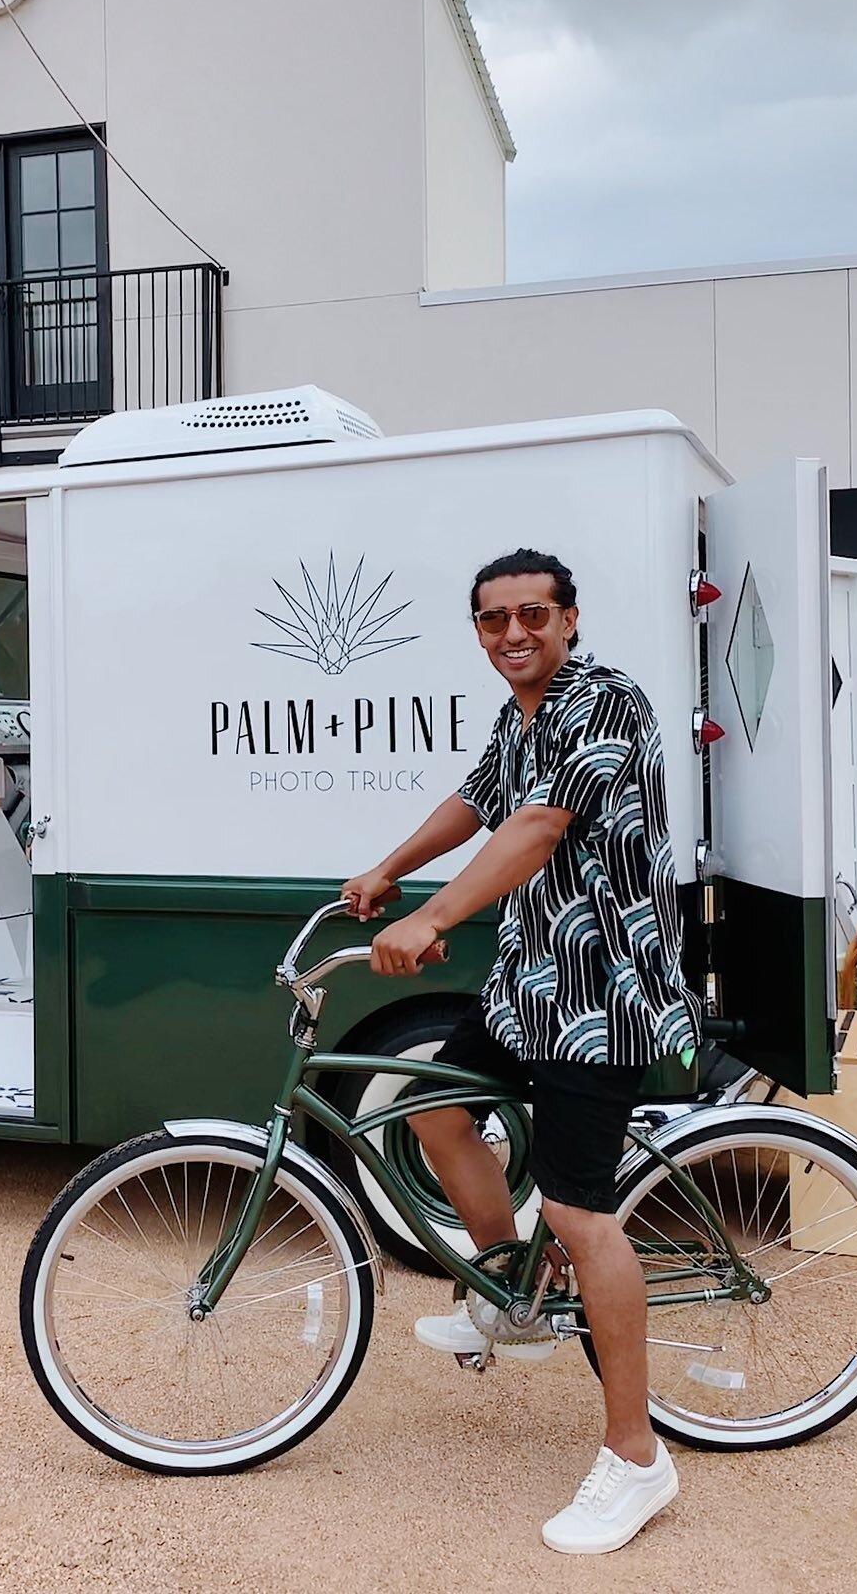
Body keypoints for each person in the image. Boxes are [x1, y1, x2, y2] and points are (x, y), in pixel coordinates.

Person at [342, 548, 700, 1556]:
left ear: (570, 618)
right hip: (529, 981)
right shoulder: (521, 717)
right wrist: (387, 868)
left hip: (600, 991)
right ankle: (512, 1290)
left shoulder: (605, 702)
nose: (514, 633)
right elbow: (479, 800)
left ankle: (636, 1459)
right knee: (433, 1109)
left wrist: (434, 915)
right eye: (495, 619)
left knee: (585, 1215)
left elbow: (539, 828)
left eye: (533, 614)